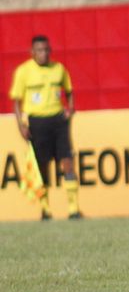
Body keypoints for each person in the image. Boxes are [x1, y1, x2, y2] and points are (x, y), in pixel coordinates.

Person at [12, 34, 80, 220]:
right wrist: (21, 125)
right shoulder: (24, 71)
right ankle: (46, 209)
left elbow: (69, 91)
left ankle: (73, 209)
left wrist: (70, 108)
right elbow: (17, 102)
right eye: (40, 50)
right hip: (37, 122)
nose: (44, 54)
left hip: (58, 120)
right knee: (42, 166)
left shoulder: (58, 69)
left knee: (67, 162)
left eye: (46, 50)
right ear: (32, 52)